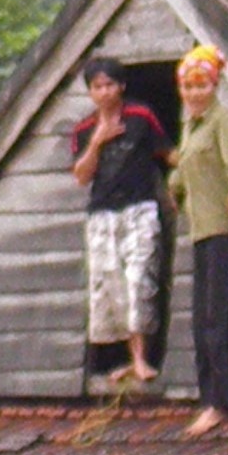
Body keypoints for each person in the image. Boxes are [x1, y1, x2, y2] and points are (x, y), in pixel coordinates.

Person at [167, 44, 228, 438]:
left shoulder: (224, 121)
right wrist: (174, 188)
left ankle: (223, 401)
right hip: (200, 229)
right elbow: (185, 172)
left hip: (226, 228)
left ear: (214, 86)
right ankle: (208, 398)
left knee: (220, 318)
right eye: (188, 86)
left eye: (200, 85)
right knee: (201, 320)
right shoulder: (189, 127)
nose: (194, 93)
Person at [71, 56, 172, 385]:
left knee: (139, 278)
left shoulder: (140, 116)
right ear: (90, 92)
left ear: (122, 86)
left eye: (109, 85)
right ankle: (118, 361)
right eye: (97, 86)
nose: (104, 92)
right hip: (103, 214)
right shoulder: (84, 130)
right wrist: (98, 141)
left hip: (139, 207)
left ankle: (142, 358)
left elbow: (166, 152)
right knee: (108, 287)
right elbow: (82, 176)